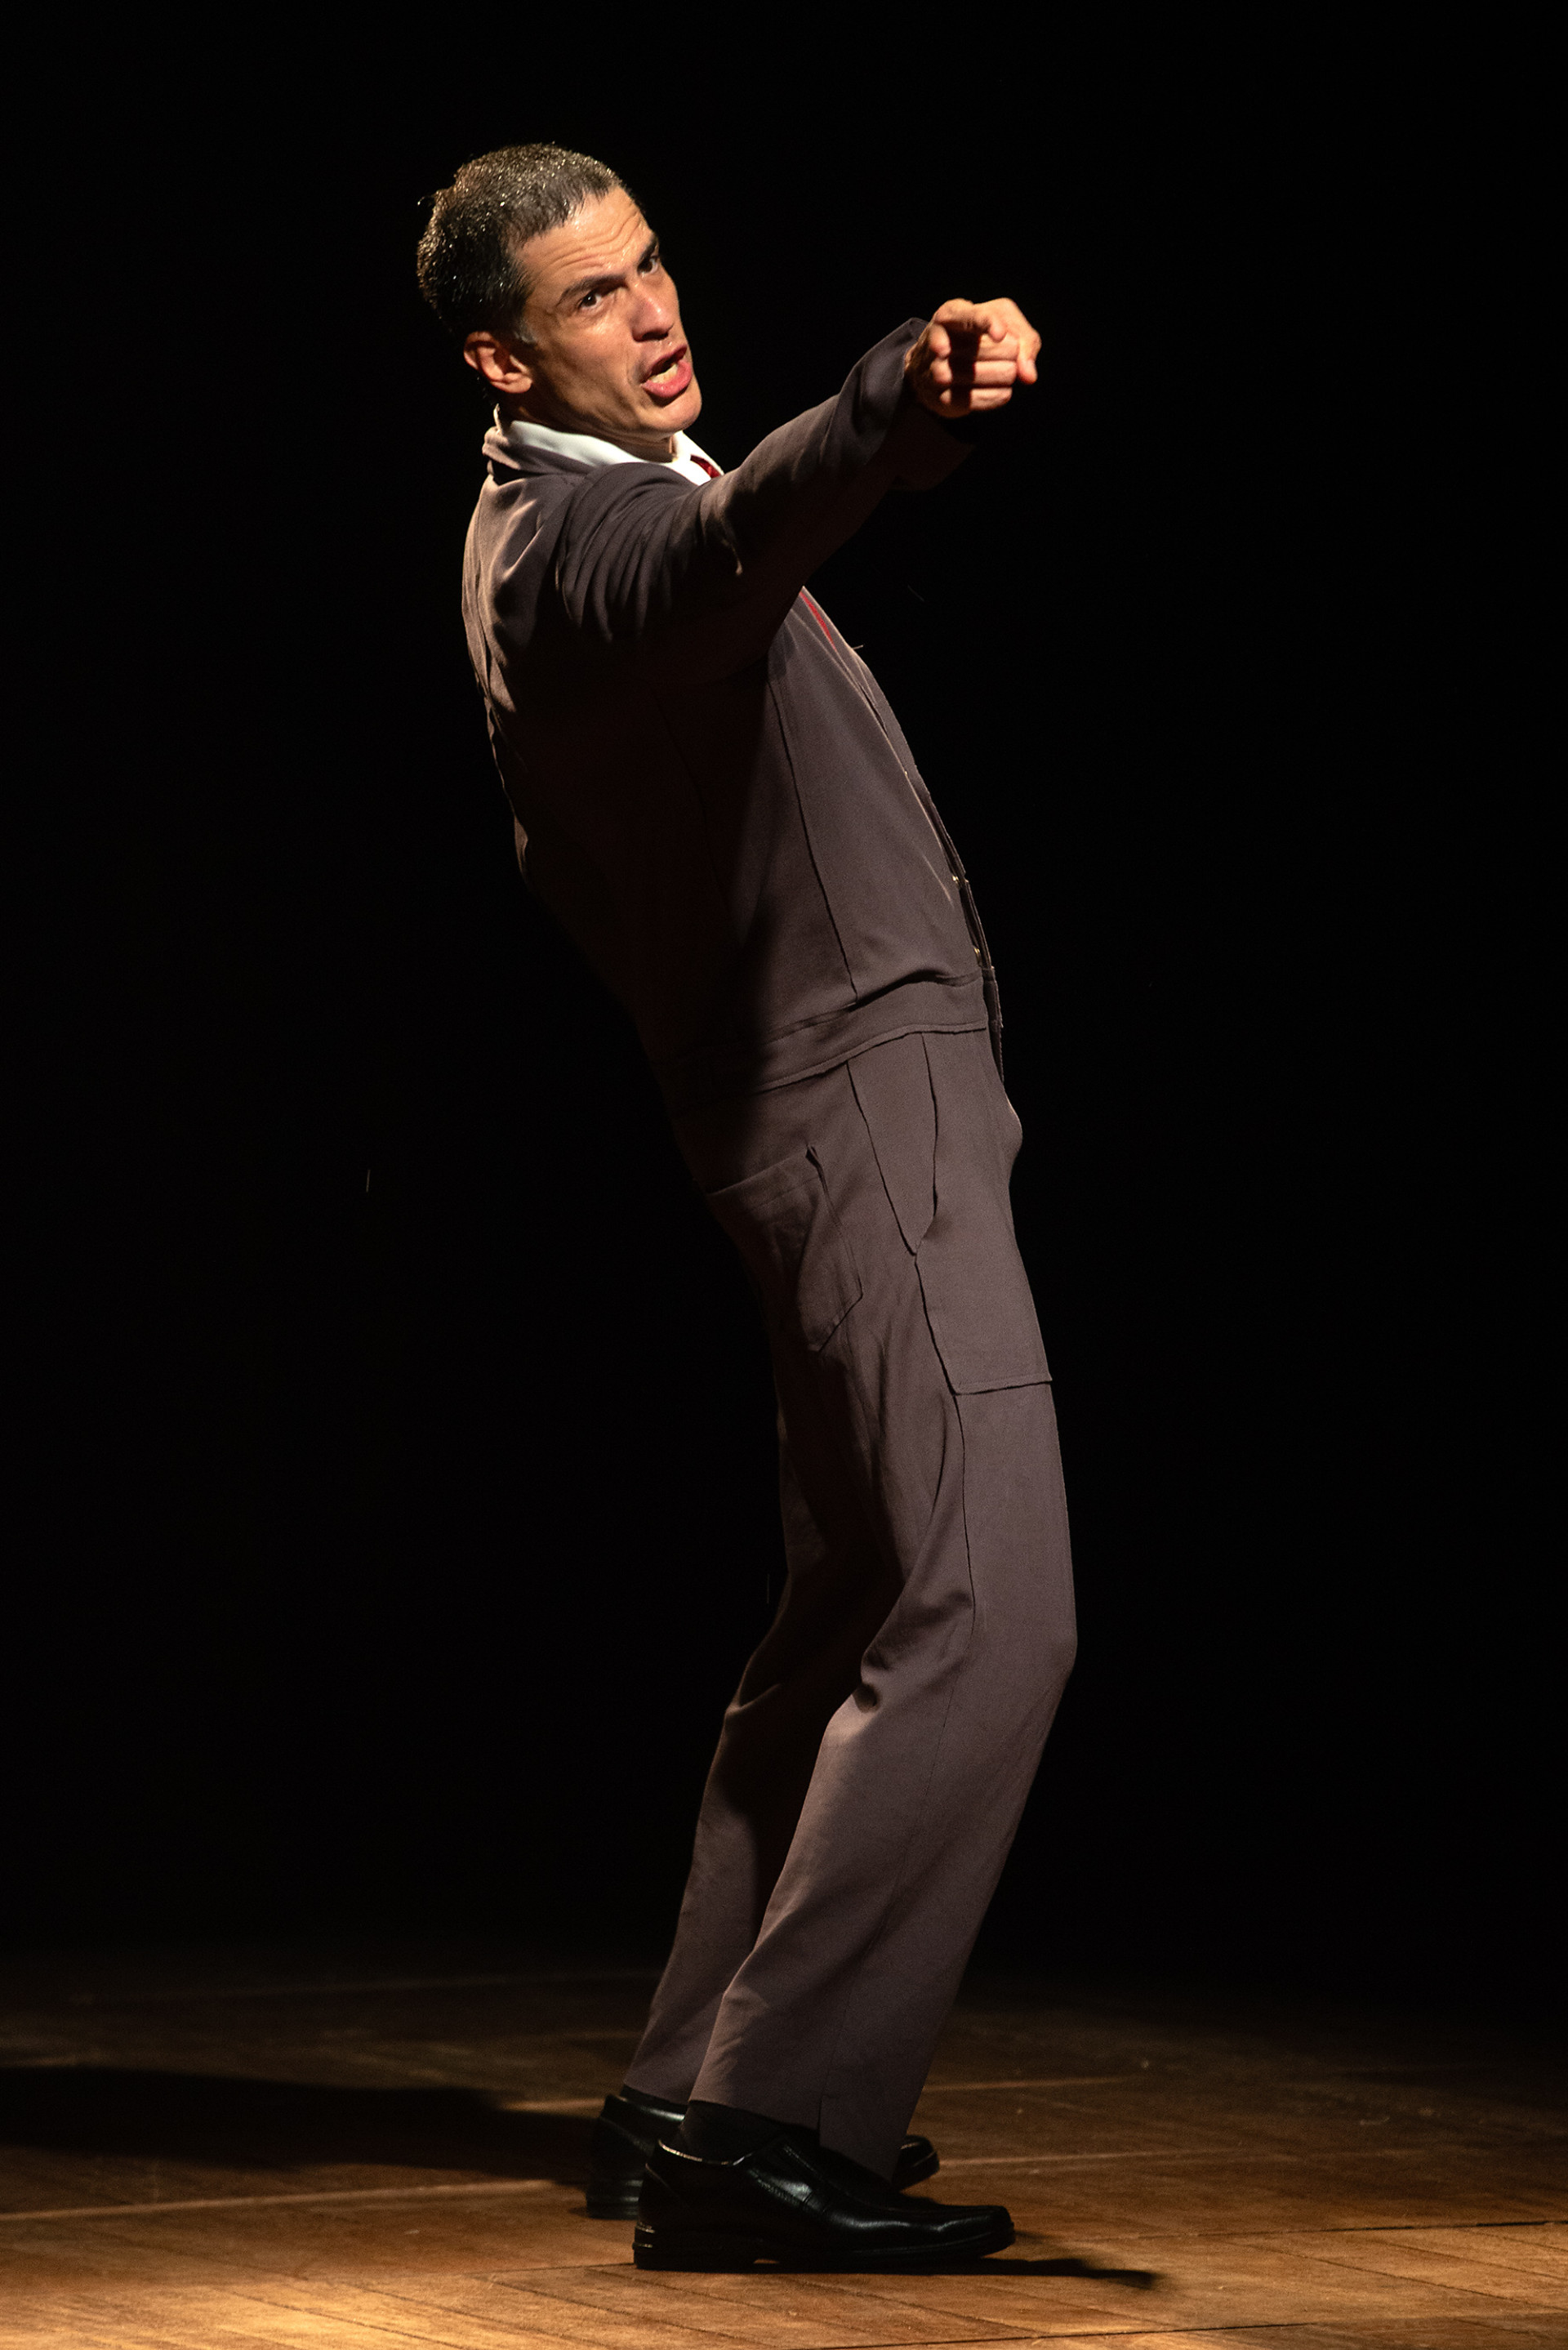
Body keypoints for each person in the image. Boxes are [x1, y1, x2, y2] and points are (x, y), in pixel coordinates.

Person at [416, 143, 1076, 2272]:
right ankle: (771, 2124)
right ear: (501, 357)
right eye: (590, 298)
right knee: (987, 1604)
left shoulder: (582, 505)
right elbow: (738, 539)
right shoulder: (577, 553)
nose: (652, 311)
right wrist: (894, 400)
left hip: (820, 1099)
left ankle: (690, 2087)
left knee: (861, 1600)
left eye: (652, 266)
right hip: (849, 1098)